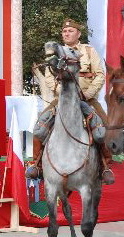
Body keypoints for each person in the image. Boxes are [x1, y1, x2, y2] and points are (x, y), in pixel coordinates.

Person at [26, 18, 114, 184]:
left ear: (78, 34)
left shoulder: (89, 51)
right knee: (40, 125)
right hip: (62, 100)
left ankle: (105, 166)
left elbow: (100, 75)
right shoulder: (56, 53)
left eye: (70, 31)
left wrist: (88, 93)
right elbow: (49, 78)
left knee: (105, 124)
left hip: (87, 99)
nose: (66, 33)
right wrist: (65, 93)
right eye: (64, 31)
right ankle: (36, 165)